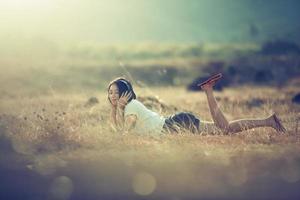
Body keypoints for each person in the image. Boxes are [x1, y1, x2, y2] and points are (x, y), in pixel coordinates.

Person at [107, 74, 286, 135]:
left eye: (116, 92)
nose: (112, 95)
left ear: (125, 92)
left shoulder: (131, 107)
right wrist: (114, 109)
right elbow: (117, 130)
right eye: (110, 92)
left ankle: (208, 91)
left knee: (225, 129)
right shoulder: (127, 108)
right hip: (177, 123)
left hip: (176, 125)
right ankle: (269, 121)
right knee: (226, 128)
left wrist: (117, 110)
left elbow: (124, 133)